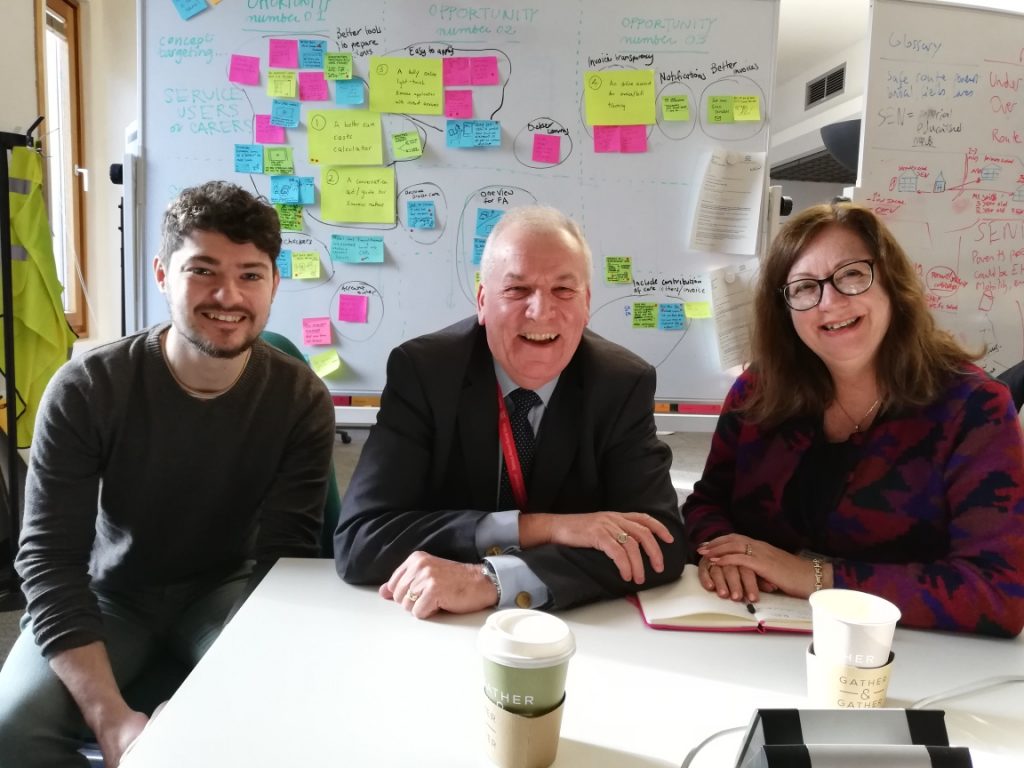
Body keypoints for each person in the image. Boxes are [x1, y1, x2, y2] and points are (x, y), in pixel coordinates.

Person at [0, 181, 336, 767]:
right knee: (13, 732)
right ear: (161, 274)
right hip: (113, 593)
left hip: (229, 589)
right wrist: (109, 718)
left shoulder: (299, 396)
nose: (228, 295)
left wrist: (233, 689)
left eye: (251, 275)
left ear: (275, 284)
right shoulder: (88, 390)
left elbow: (287, 556)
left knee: (291, 716)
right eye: (202, 270)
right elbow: (49, 560)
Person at [683, 202, 1024, 637]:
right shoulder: (758, 392)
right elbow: (707, 503)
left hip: (908, 657)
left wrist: (812, 577)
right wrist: (722, 554)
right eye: (805, 287)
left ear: (892, 284)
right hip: (754, 636)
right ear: (785, 310)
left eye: (851, 275)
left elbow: (997, 594)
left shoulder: (974, 409)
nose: (830, 301)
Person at [335, 206, 685, 618]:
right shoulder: (426, 373)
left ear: (587, 304)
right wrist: (544, 528)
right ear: (483, 301)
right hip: (431, 623)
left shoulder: (621, 384)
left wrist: (494, 579)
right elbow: (360, 540)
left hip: (572, 631)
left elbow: (660, 544)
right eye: (517, 290)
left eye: (563, 290)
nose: (541, 311)